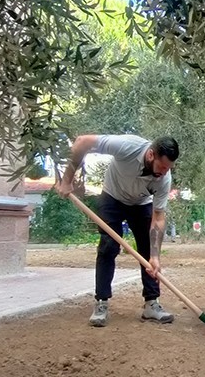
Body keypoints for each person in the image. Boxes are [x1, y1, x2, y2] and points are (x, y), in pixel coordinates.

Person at [56, 134, 179, 326]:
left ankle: (151, 304)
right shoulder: (127, 146)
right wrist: (67, 180)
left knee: (148, 251)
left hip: (141, 203)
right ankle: (101, 302)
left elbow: (158, 217)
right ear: (151, 155)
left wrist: (155, 256)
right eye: (162, 167)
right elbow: (82, 142)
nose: (164, 172)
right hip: (112, 197)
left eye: (168, 168)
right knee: (108, 246)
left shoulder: (164, 178)